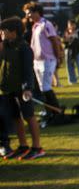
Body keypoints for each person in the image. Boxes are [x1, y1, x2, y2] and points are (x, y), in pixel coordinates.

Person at [0, 16, 45, 160]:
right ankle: (23, 145)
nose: (1, 34)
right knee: (16, 117)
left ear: (13, 32)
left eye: (4, 31)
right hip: (8, 88)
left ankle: (37, 147)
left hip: (22, 89)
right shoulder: (6, 45)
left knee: (29, 117)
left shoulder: (24, 48)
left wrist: (27, 88)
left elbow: (28, 70)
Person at [22, 2, 62, 117]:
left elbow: (54, 41)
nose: (27, 16)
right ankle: (49, 111)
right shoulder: (35, 25)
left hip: (47, 60)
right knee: (42, 88)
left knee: (46, 88)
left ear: (36, 12)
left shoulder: (46, 24)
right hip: (37, 62)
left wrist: (58, 57)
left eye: (29, 13)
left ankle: (55, 111)